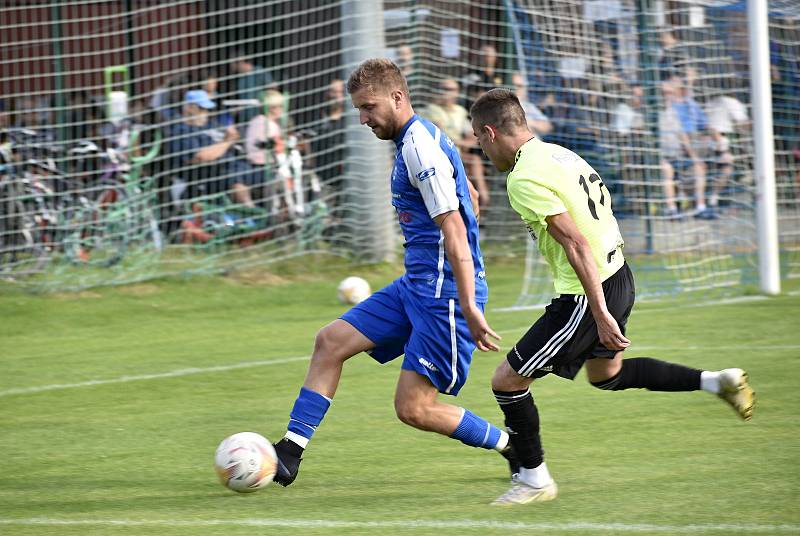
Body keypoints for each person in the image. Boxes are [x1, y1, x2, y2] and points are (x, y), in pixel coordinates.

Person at [469, 88, 755, 505]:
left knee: (507, 382)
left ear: (491, 132)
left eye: (477, 137)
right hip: (619, 275)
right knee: (607, 376)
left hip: (587, 295)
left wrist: (599, 311)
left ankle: (533, 478)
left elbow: (577, 245)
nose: (478, 146)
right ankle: (717, 381)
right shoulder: (558, 154)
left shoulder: (523, 177)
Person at [270, 58, 513, 488]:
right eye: (359, 110)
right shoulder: (419, 141)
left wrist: (470, 304)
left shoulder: (419, 147)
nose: (363, 118)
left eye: (369, 107)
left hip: (445, 295)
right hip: (415, 286)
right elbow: (469, 196)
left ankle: (513, 446)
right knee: (330, 341)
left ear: (398, 97)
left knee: (414, 408)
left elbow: (455, 228)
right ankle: (289, 452)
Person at [167, 89, 257, 209]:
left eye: (207, 110)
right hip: (209, 176)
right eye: (201, 109)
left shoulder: (211, 125)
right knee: (235, 180)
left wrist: (231, 137)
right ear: (189, 108)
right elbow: (200, 157)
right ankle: (253, 213)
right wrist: (227, 141)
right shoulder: (181, 131)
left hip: (238, 166)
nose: (205, 113)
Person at [426, 78, 489, 209]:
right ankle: (480, 199)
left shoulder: (460, 111)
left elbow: (472, 137)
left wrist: (458, 142)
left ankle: (483, 199)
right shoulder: (431, 110)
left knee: (474, 161)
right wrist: (460, 143)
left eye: (450, 89)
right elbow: (439, 136)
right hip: (439, 155)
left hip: (457, 153)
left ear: (457, 92)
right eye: (443, 89)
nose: (446, 92)